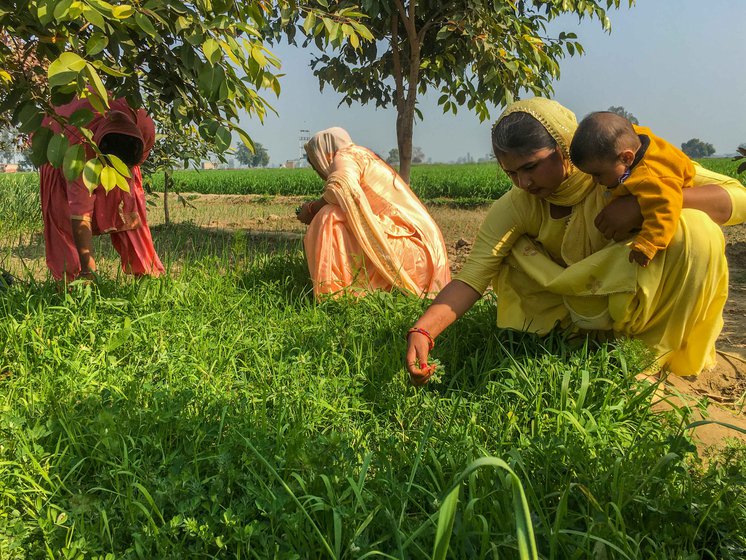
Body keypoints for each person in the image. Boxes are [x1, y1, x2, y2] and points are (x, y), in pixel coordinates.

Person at [405, 97, 746, 384]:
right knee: (514, 254)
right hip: (575, 320)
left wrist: (642, 206)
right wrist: (423, 331)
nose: (523, 182)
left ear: (564, 149)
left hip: (634, 301)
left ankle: (656, 357)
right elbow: (473, 275)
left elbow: (738, 197)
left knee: (696, 230)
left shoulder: (620, 171)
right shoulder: (518, 205)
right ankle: (588, 347)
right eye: (511, 173)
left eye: (531, 167)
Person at [297, 127, 451, 299]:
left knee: (329, 215)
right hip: (422, 252)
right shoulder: (364, 156)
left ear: (321, 156)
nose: (318, 171)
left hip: (411, 250)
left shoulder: (344, 157)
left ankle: (336, 293)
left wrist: (311, 209)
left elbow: (342, 187)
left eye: (314, 164)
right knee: (343, 210)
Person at [40, 96, 164, 281]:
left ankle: (146, 274)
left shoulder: (143, 124)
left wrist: (120, 178)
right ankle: (69, 284)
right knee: (62, 218)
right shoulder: (79, 154)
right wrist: (88, 271)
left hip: (108, 142)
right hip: (59, 149)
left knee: (128, 210)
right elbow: (79, 215)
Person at [569, 111, 694, 267]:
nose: (594, 180)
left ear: (627, 158)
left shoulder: (651, 178)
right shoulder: (631, 142)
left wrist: (647, 245)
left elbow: (664, 210)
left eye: (598, 174)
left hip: (673, 211)